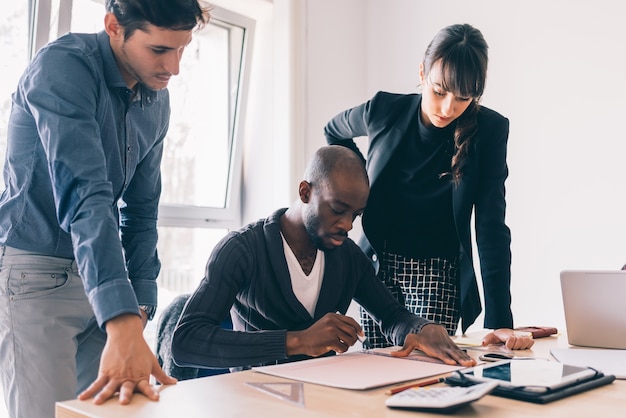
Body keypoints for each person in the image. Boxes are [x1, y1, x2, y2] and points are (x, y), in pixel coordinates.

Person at [0, 1, 210, 417]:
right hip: (34, 276)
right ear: (114, 27)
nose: (174, 67)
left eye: (182, 49)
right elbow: (86, 194)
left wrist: (141, 300)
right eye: (159, 50)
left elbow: (142, 208)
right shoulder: (63, 68)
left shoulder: (156, 99)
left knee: (117, 413)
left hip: (104, 280)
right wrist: (121, 317)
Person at [170, 146, 529, 372]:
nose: (346, 225)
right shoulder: (242, 250)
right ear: (305, 192)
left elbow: (390, 315)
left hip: (328, 398)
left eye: (355, 215)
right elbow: (185, 341)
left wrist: (420, 330)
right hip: (255, 400)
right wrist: (298, 340)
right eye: (338, 210)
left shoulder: (347, 256)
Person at [324, 23, 514, 346]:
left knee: (428, 371)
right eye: (439, 91)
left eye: (463, 98)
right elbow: (334, 130)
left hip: (437, 273)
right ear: (422, 71)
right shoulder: (384, 109)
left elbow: (491, 228)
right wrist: (362, 182)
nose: (447, 108)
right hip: (377, 265)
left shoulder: (489, 130)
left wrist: (500, 320)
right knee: (378, 369)